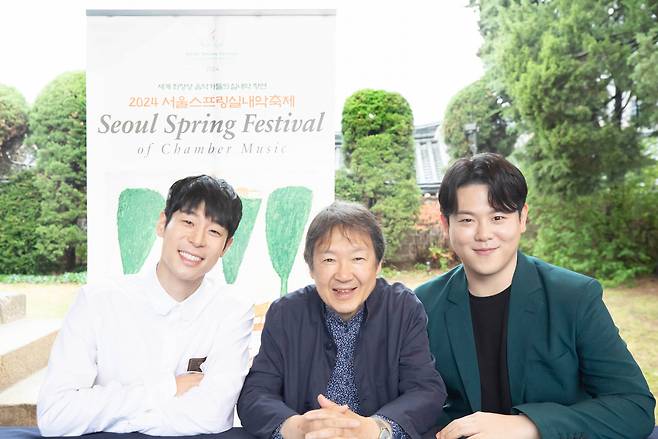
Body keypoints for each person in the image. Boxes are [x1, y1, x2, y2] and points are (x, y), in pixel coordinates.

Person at [415, 153, 656, 439]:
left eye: (498, 217)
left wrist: (530, 426)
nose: (484, 234)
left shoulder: (574, 297)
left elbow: (634, 407)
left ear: (522, 218)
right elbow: (412, 401)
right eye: (467, 219)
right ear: (446, 225)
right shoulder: (423, 305)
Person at [37, 175, 254, 436]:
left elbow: (212, 417)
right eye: (188, 222)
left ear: (226, 246)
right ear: (163, 223)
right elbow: (55, 414)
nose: (197, 240)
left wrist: (109, 414)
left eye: (214, 231)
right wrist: (167, 389)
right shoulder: (97, 301)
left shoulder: (232, 311)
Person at [237, 201, 446, 439]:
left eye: (357, 258)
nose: (344, 275)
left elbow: (425, 390)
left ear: (377, 265)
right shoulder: (286, 313)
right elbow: (256, 393)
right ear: (311, 267)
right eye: (329, 260)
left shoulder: (402, 307)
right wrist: (297, 427)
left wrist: (376, 429)